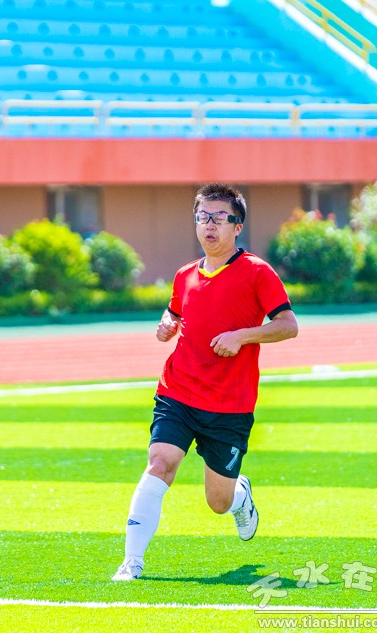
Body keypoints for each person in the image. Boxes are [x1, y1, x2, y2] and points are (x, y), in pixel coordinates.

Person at [113, 183, 298, 581]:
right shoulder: (184, 276)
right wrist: (166, 326)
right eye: (202, 217)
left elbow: (288, 326)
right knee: (160, 463)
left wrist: (241, 336)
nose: (209, 225)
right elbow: (175, 314)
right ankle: (132, 561)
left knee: (218, 501)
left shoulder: (257, 272)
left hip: (229, 404)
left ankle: (239, 495)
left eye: (219, 218)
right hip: (177, 391)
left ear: (237, 226)